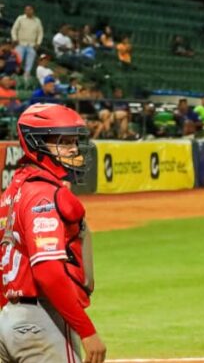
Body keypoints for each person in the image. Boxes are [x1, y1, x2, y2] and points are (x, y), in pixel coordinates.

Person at [0, 104, 107, 362]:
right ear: (36, 144)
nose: (74, 149)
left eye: (74, 141)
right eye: (63, 142)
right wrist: (87, 331)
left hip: (8, 320)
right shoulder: (43, 195)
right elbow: (47, 271)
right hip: (42, 321)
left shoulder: (14, 191)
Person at [10, 4, 43, 79]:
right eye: (26, 10)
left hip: (32, 45)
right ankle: (13, 74)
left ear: (33, 10)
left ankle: (26, 76)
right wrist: (15, 38)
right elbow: (14, 29)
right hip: (20, 43)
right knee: (17, 60)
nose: (28, 11)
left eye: (29, 10)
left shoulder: (37, 21)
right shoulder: (20, 18)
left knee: (29, 63)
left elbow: (40, 33)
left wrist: (38, 43)